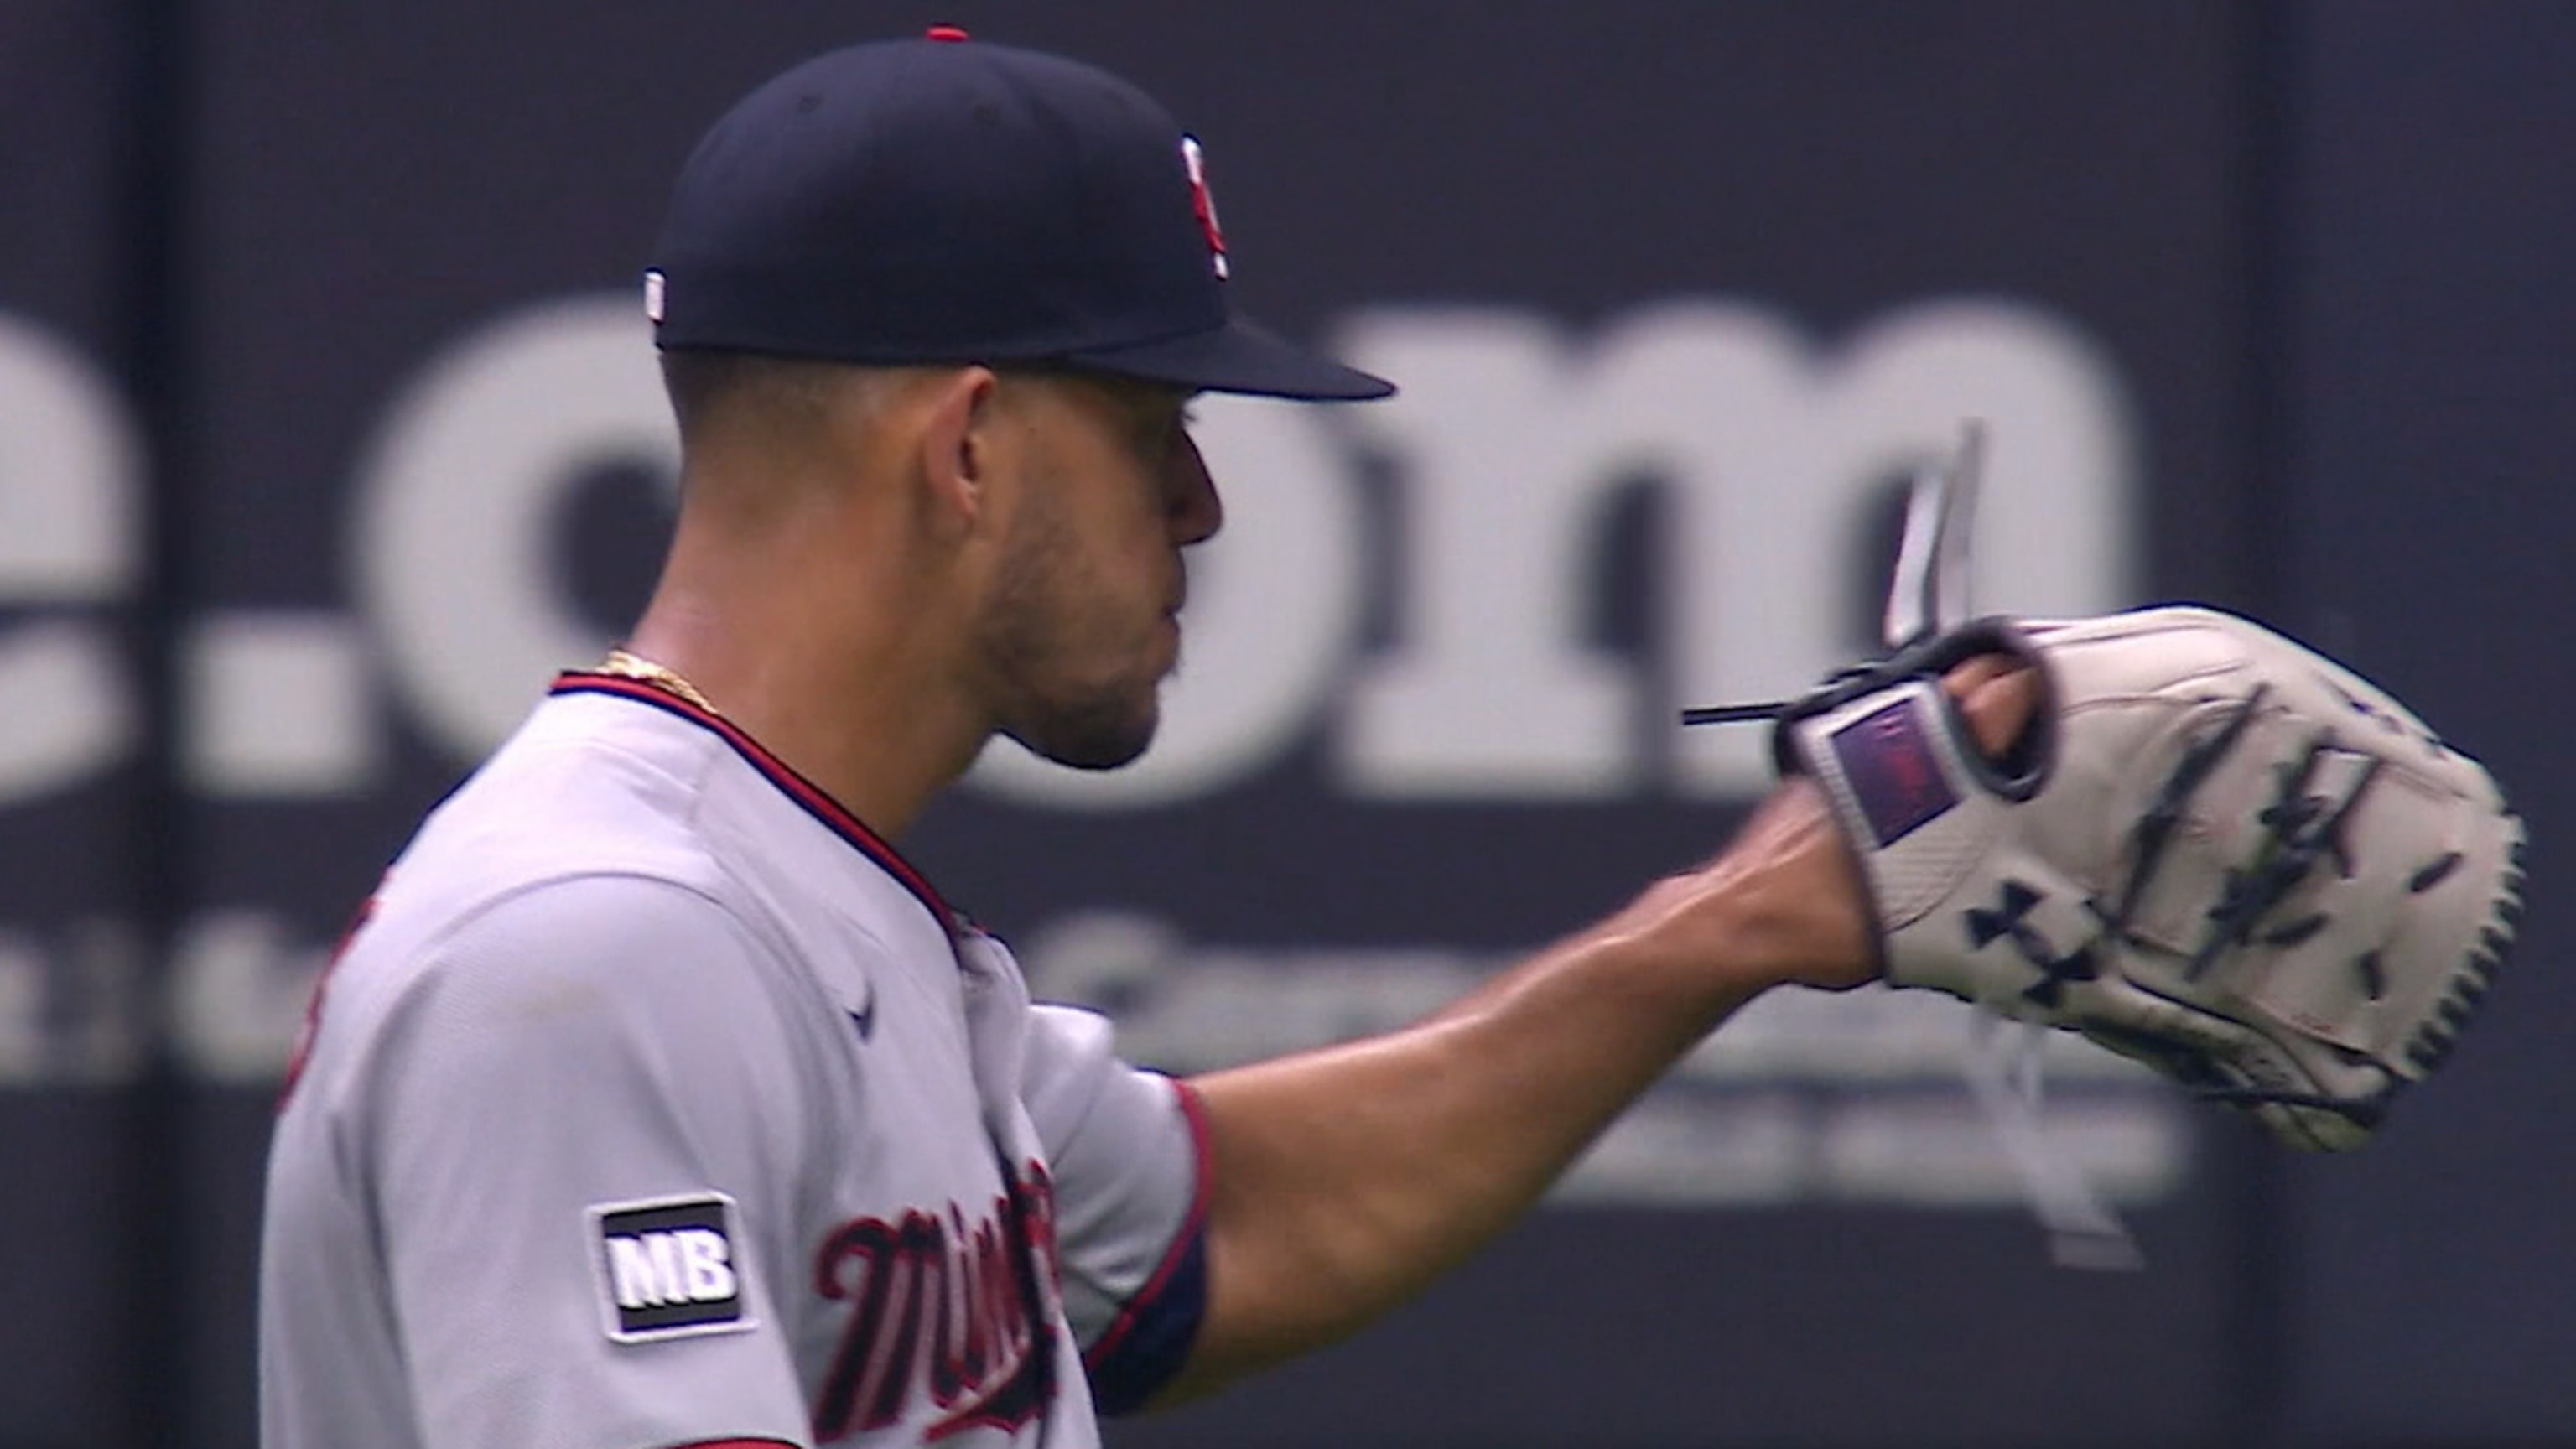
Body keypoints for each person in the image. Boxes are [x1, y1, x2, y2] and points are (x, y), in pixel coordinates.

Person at [258, 28, 2028, 1449]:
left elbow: (1229, 1231)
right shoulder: (594, 950)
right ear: (966, 451)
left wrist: (1732, 925)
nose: (1199, 508)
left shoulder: (796, 903)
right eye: (1152, 426)